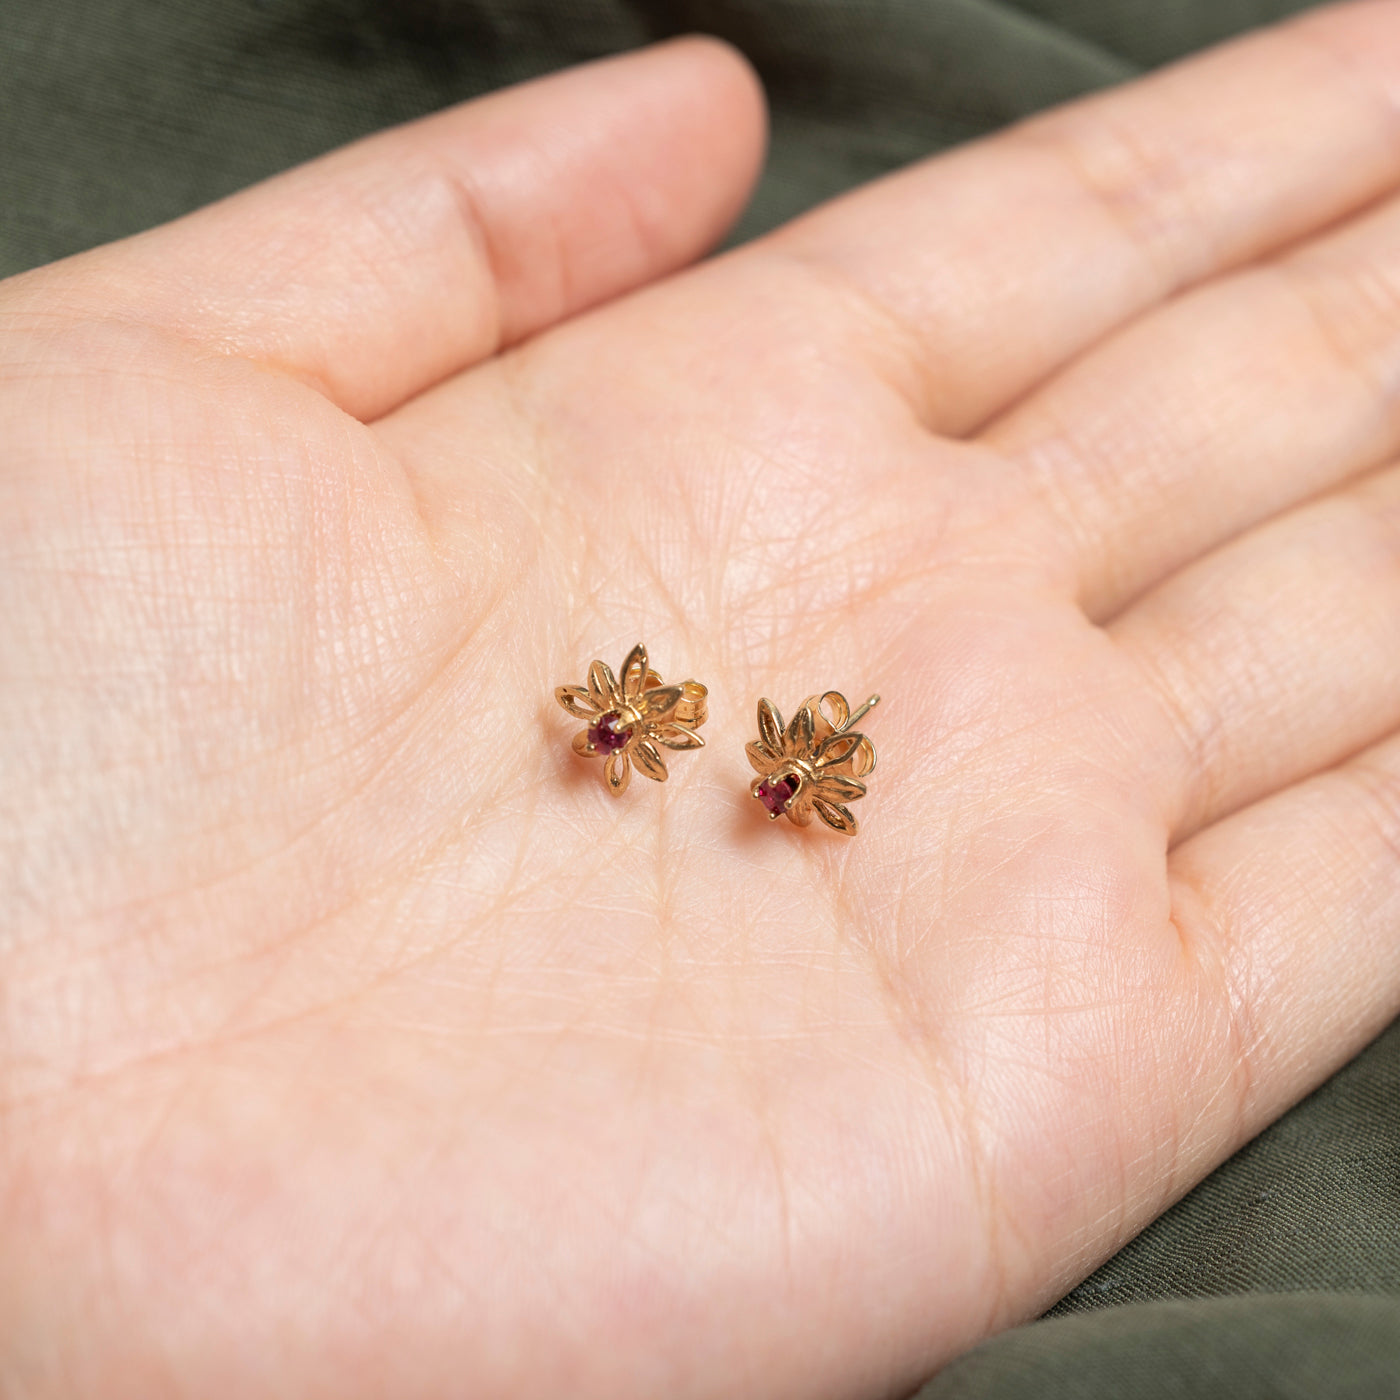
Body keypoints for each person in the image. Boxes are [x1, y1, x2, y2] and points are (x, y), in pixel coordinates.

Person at [2, 3, 1398, 1394]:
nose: (771, 787)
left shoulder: (760, 768)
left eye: (792, 782)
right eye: (620, 729)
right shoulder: (635, 736)